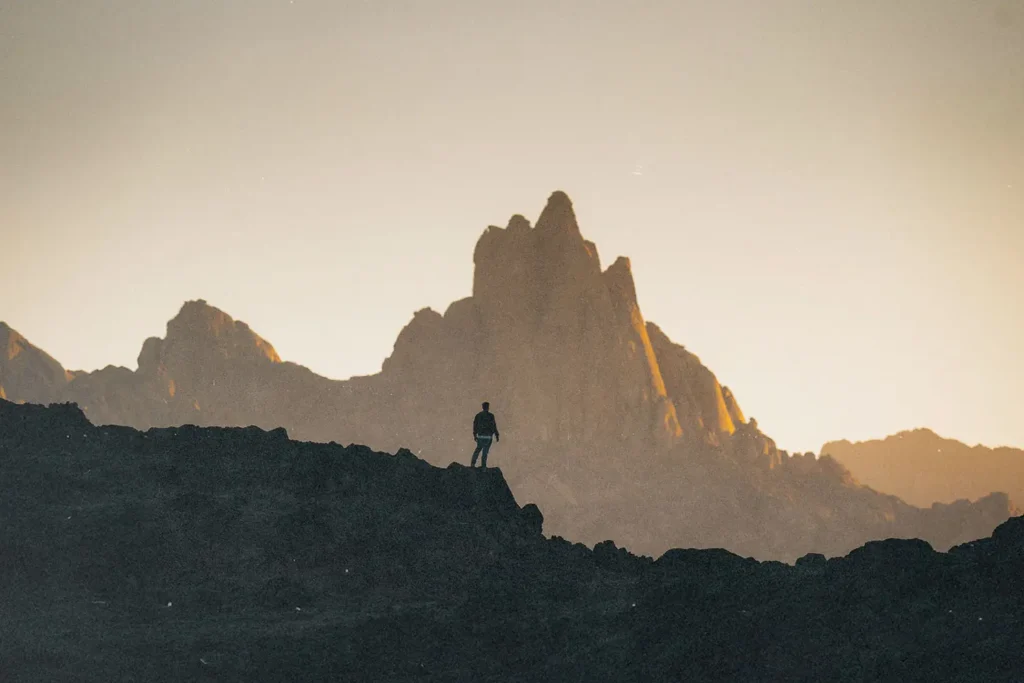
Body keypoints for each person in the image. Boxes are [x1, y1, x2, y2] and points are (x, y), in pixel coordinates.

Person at [470, 401, 500, 468]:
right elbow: (494, 426)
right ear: (488, 407)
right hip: (488, 437)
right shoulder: (491, 416)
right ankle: (483, 467)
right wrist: (497, 435)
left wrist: (474, 435)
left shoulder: (478, 415)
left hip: (480, 436)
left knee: (478, 450)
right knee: (485, 452)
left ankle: (473, 464)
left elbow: (475, 425)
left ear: (482, 407)